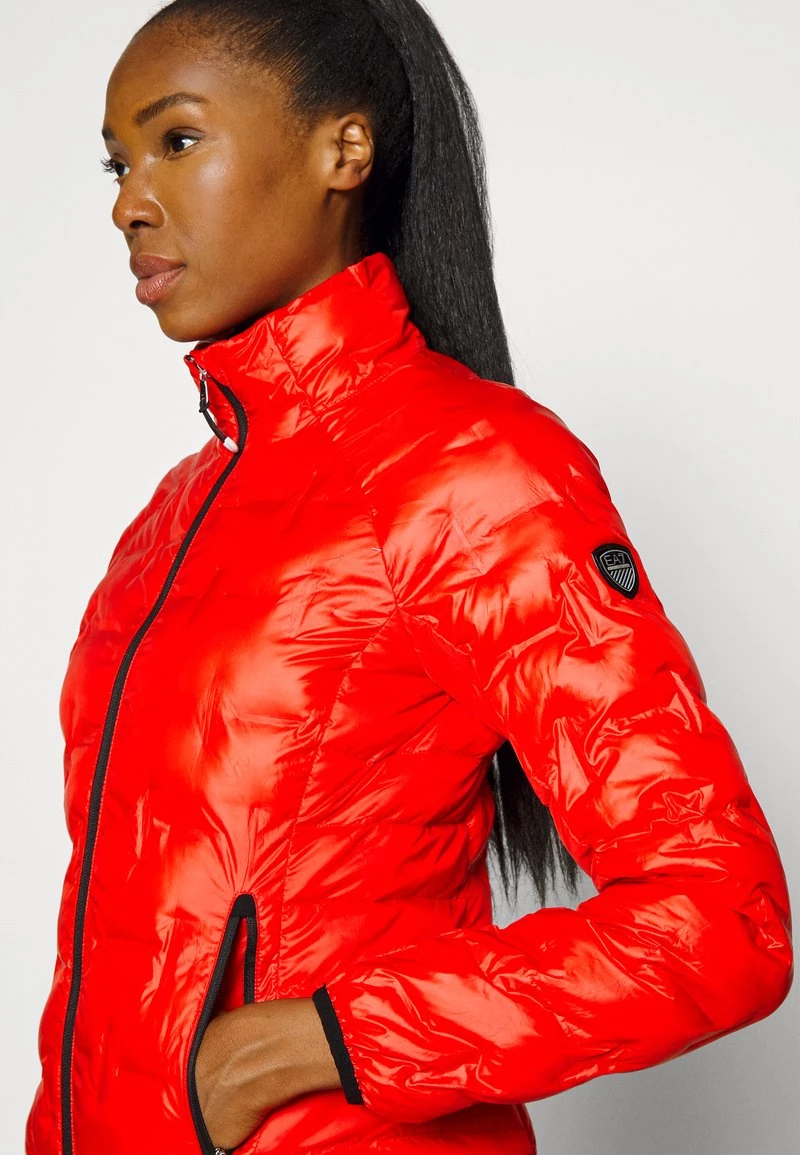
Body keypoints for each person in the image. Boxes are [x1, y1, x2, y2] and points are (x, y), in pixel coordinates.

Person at [25, 1, 793, 1153]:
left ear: (343, 150)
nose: (129, 201)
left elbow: (720, 920)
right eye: (117, 162)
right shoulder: (172, 516)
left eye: (177, 141)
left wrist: (326, 1042)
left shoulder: (471, 474)